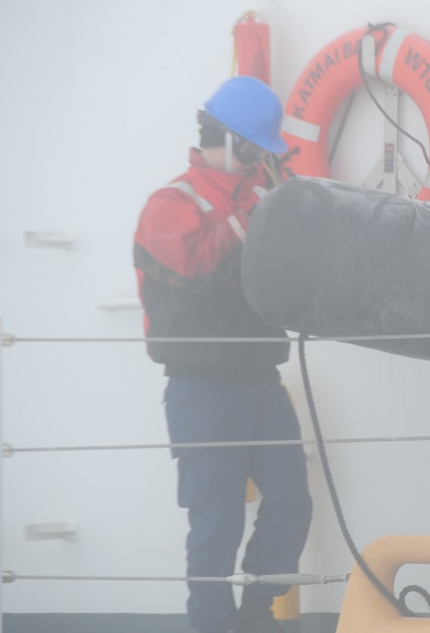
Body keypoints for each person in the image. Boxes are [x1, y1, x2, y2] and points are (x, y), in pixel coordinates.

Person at [133, 76, 312, 633]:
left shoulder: (265, 194)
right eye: (255, 149)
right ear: (230, 141)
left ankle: (258, 614)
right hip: (202, 389)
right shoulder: (170, 203)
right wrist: (255, 216)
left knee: (291, 501)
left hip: (261, 380)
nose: (261, 161)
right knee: (216, 520)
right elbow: (199, 269)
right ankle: (211, 624)